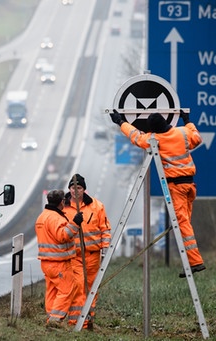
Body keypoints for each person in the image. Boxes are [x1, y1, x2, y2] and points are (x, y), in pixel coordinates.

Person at [109, 110, 206, 278]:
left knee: (182, 224)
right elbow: (197, 137)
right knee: (186, 223)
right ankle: (190, 262)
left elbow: (136, 137)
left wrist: (120, 122)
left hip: (176, 187)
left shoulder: (155, 140)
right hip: (190, 185)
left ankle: (196, 262)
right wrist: (188, 121)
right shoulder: (183, 132)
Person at [63, 174, 112, 329]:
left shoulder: (97, 206)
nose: (75, 191)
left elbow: (105, 229)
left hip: (93, 256)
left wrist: (105, 250)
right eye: (73, 188)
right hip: (73, 255)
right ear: (69, 189)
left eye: (79, 188)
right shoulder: (63, 207)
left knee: (91, 288)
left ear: (84, 189)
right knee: (78, 286)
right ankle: (76, 322)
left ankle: (89, 318)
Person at [35, 189, 84, 328]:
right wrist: (75, 223)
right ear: (61, 201)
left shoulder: (42, 216)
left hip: (47, 262)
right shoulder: (55, 218)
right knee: (68, 289)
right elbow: (63, 235)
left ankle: (51, 315)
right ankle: (55, 320)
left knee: (53, 291)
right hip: (59, 262)